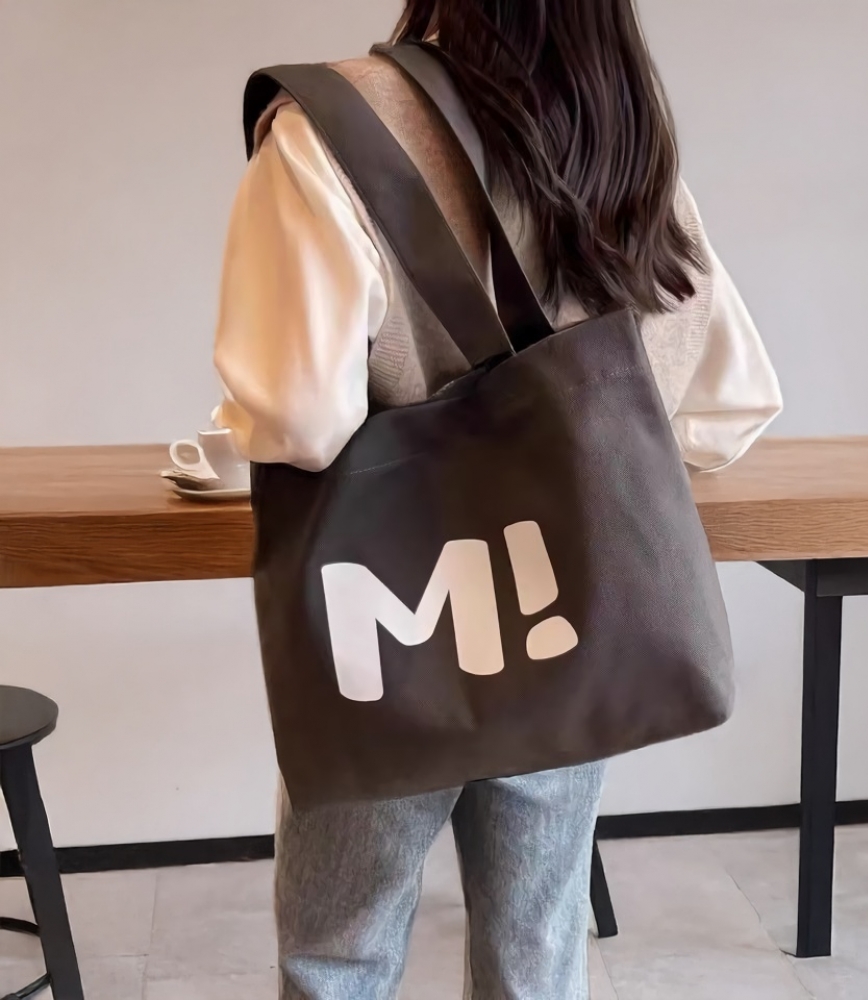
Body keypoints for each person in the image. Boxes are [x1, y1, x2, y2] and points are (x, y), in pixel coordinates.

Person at [213, 2, 782, 998]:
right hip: (572, 611)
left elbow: (298, 422)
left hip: (394, 622)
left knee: (338, 955)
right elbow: (727, 408)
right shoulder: (613, 134)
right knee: (537, 952)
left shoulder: (329, 125)